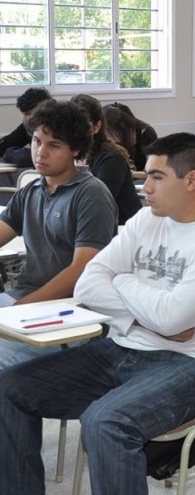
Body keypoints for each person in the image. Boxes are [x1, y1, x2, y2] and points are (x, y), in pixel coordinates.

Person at [0, 132, 195, 495]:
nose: (143, 187)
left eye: (155, 177)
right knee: (10, 388)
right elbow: (89, 285)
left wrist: (129, 282)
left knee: (104, 423)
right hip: (124, 346)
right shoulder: (146, 219)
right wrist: (147, 317)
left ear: (190, 180)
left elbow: (173, 320)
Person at [0, 100, 117, 367]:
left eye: (54, 146)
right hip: (22, 301)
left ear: (75, 150)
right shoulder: (31, 191)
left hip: (68, 313)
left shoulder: (91, 194)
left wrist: (23, 308)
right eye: (37, 141)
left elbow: (81, 270)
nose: (41, 152)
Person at [71, 94, 142, 225]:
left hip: (121, 230)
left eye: (82, 125)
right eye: (70, 125)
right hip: (91, 227)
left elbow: (95, 205)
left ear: (97, 127)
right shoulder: (70, 155)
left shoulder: (111, 159)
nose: (74, 131)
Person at [0, 87, 51, 168]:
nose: (24, 119)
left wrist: (9, 152)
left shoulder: (56, 127)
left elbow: (24, 158)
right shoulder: (27, 127)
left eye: (28, 113)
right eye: (24, 114)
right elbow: (4, 145)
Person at [101, 102, 158, 172]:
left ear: (123, 126)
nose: (108, 136)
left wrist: (131, 174)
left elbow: (154, 170)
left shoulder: (147, 134)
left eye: (110, 132)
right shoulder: (103, 139)